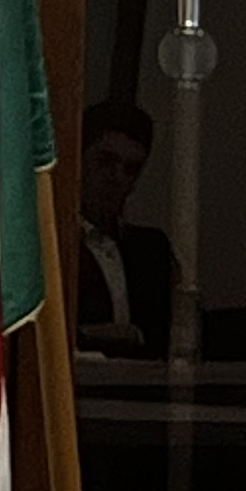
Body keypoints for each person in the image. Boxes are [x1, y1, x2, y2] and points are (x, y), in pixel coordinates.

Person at [73, 98, 179, 360]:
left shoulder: (151, 249)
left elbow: (167, 334)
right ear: (78, 160)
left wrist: (135, 336)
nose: (116, 177)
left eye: (130, 169)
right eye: (105, 162)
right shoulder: (54, 245)